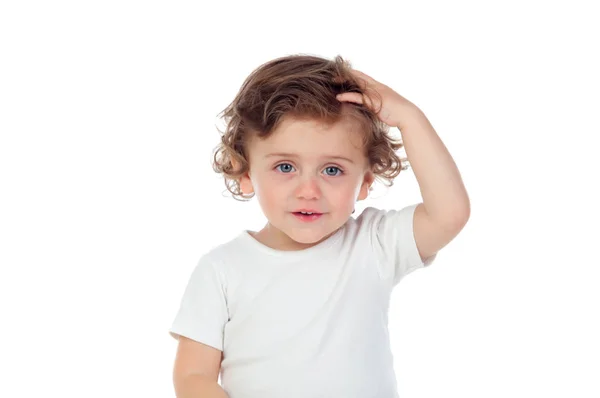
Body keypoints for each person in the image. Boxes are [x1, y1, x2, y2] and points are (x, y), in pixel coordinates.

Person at [169, 54, 470, 398]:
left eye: (332, 170)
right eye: (285, 167)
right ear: (245, 172)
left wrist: (409, 119)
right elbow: (193, 376)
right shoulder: (221, 270)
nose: (308, 191)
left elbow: (450, 214)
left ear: (366, 181)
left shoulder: (374, 244)